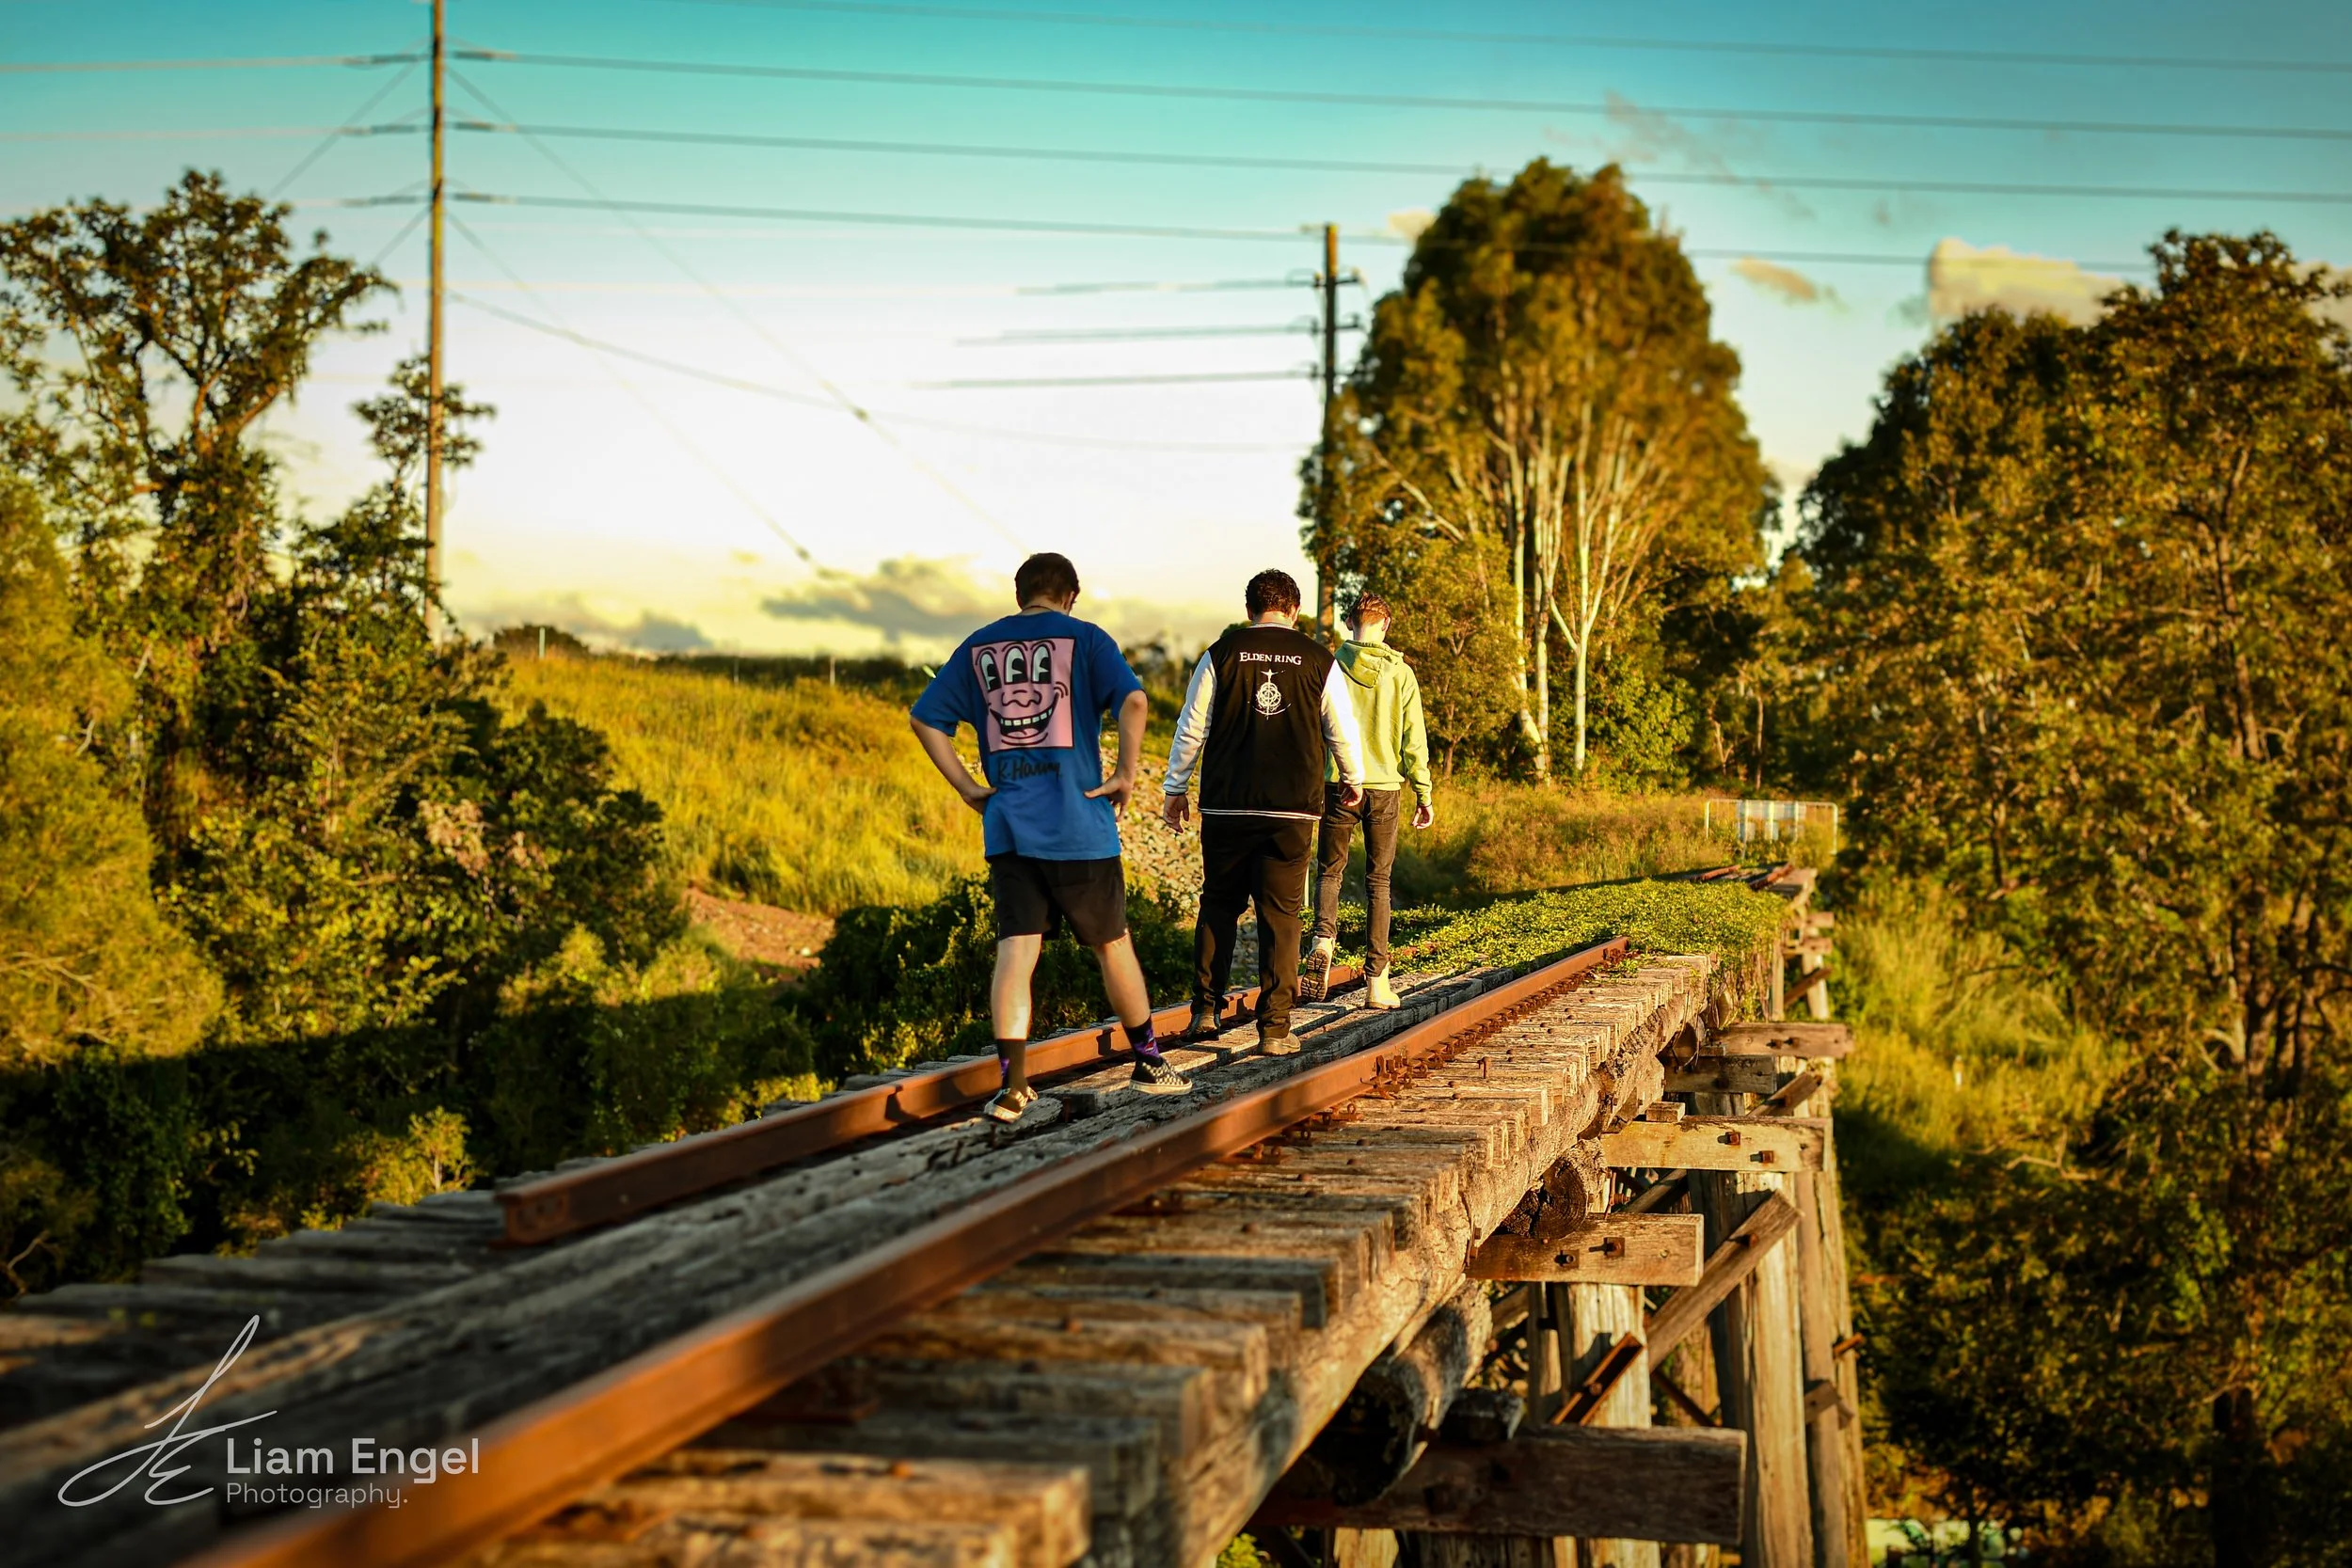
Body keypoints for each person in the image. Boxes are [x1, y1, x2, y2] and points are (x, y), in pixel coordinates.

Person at [909, 551, 1183, 1123]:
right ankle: (1150, 1062)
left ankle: (1013, 1086)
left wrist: (965, 785)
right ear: (1070, 596)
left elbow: (925, 718)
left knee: (1017, 951)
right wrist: (1126, 774)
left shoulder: (981, 644)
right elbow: (1134, 700)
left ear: (1019, 596)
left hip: (1008, 824)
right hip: (1078, 825)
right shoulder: (1086, 638)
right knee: (1113, 945)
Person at [1161, 569, 1365, 1054]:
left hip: (1228, 806)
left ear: (1249, 609)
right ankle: (1274, 1028)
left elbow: (1192, 727)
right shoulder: (1319, 659)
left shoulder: (1221, 654)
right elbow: (1341, 728)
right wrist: (1352, 779)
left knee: (1218, 906)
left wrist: (1175, 788)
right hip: (1292, 810)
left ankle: (1205, 1013)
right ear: (1294, 610)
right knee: (1282, 916)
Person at [1298, 593, 1435, 1011]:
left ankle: (1324, 938)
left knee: (1330, 871)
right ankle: (1377, 983)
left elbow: (1313, 725)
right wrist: (1424, 791)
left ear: (1350, 622)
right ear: (1385, 625)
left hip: (1339, 782)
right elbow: (1414, 738)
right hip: (1385, 788)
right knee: (1379, 882)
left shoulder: (1330, 665)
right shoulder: (1401, 673)